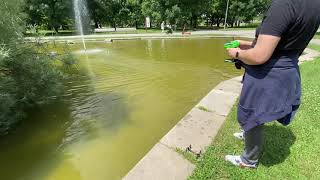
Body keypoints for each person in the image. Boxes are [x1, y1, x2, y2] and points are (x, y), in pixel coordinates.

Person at [225, 0, 320, 168]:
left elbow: (259, 55)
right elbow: (283, 43)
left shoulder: (284, 5)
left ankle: (248, 160)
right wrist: (247, 44)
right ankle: (248, 134)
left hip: (268, 72)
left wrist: (237, 53)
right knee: (260, 109)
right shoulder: (314, 5)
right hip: (287, 68)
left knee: (251, 113)